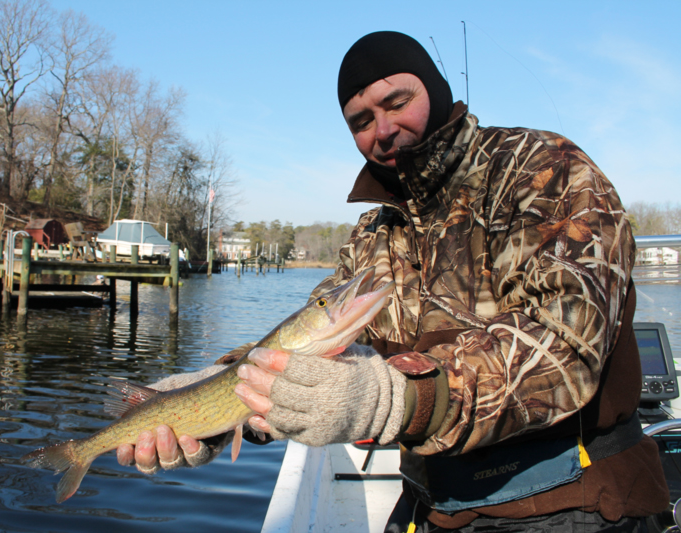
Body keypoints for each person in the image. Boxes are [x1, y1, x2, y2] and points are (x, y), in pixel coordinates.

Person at [117, 31, 668, 531]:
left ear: (434, 88)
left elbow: (563, 349)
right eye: (360, 120)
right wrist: (204, 403)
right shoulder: (375, 236)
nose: (382, 130)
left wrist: (399, 398)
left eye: (397, 102)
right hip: (436, 508)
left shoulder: (543, 171)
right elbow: (305, 349)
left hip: (577, 503)